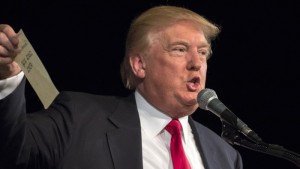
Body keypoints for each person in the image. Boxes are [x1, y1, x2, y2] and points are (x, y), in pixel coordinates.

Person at [0, 5, 243, 169]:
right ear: (139, 64)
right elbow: (11, 153)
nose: (196, 63)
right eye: (179, 49)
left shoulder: (225, 156)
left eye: (202, 52)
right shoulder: (78, 119)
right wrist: (7, 79)